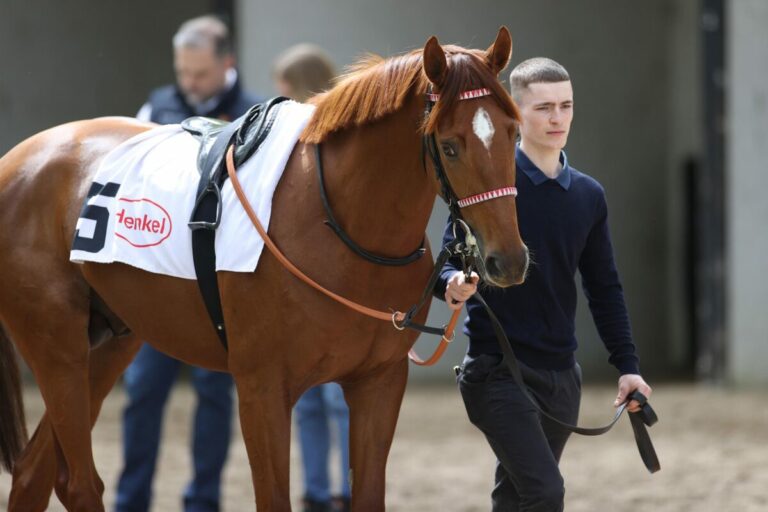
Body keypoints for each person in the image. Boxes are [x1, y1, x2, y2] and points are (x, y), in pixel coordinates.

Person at [434, 57, 653, 511]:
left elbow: (604, 287)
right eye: (544, 108)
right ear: (515, 114)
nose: (557, 118)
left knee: (516, 497)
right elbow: (446, 259)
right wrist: (451, 282)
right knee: (545, 492)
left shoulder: (588, 196)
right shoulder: (488, 180)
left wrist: (627, 365)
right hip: (496, 373)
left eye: (565, 106)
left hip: (561, 378)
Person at [115, 15, 262, 512]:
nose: (190, 83)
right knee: (142, 390)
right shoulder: (156, 106)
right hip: (159, 278)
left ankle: (204, 501)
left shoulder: (256, 114)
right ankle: (131, 500)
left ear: (227, 63)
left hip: (220, 284)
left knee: (216, 394)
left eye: (200, 73)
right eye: (183, 72)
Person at [272, 43, 350, 512]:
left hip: (330, 286)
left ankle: (333, 490)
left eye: (283, 86)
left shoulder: (335, 134)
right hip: (314, 284)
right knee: (313, 400)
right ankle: (324, 492)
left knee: (332, 400)